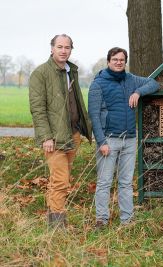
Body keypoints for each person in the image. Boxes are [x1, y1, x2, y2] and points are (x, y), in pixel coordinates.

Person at [88, 47, 159, 228]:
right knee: (104, 182)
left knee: (126, 183)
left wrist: (138, 92)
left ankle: (127, 221)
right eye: (115, 59)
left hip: (129, 139)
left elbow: (153, 83)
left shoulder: (131, 80)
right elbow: (94, 115)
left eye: (122, 59)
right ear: (108, 61)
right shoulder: (98, 84)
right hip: (109, 140)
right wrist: (101, 142)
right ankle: (101, 220)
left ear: (125, 62)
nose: (118, 62)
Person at [29, 34, 92, 227]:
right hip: (54, 138)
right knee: (60, 180)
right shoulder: (40, 73)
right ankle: (56, 226)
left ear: (71, 49)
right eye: (60, 47)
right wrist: (46, 137)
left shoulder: (70, 71)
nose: (64, 50)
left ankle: (55, 217)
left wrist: (83, 128)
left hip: (72, 134)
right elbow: (37, 108)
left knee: (62, 180)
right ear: (52, 49)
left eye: (67, 47)